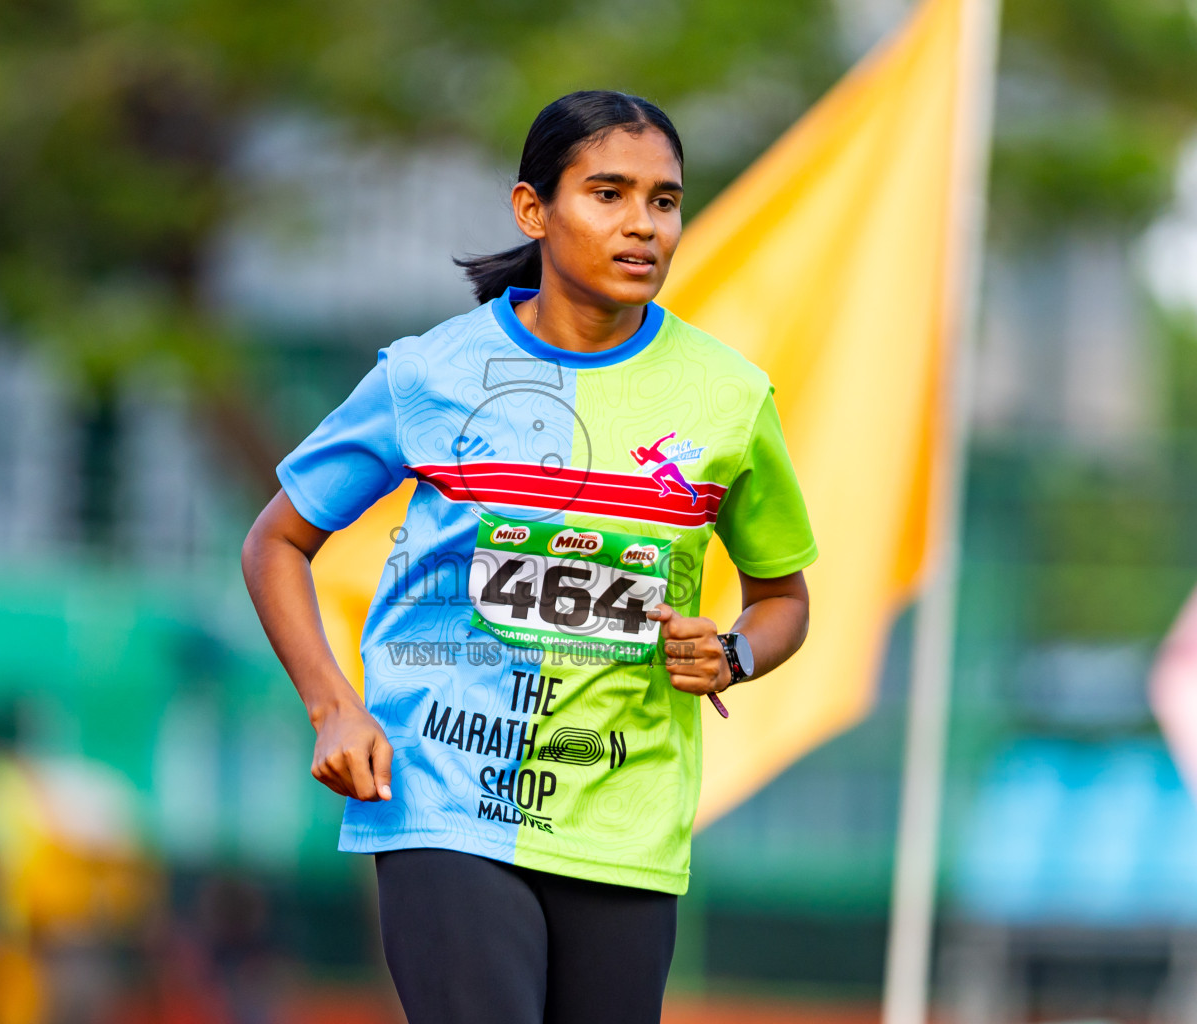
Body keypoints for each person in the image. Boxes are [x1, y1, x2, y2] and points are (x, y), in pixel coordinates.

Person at [242, 90, 817, 1024]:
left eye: (664, 201)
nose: (643, 226)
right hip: (443, 791)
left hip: (623, 815)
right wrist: (333, 707)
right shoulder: (431, 373)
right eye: (609, 194)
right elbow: (277, 541)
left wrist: (735, 653)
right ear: (533, 210)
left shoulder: (730, 400)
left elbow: (783, 599)